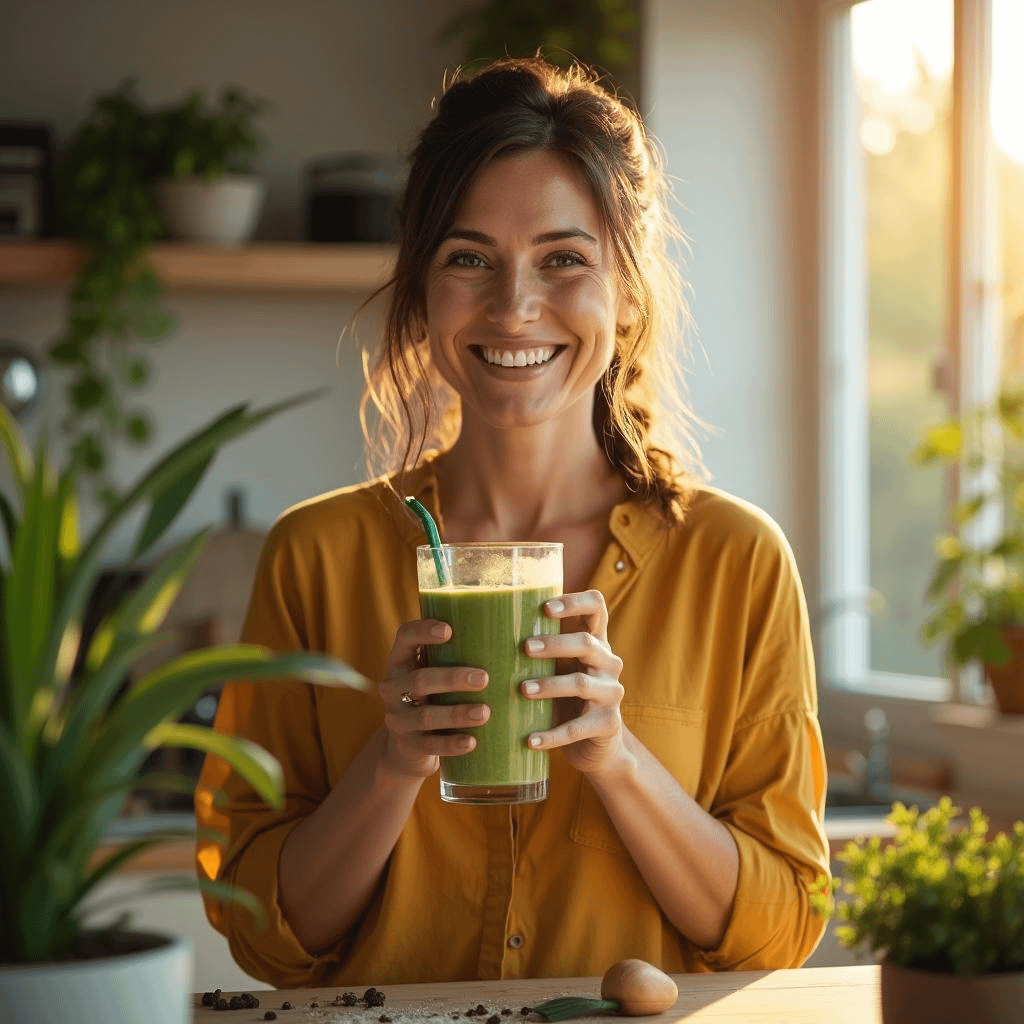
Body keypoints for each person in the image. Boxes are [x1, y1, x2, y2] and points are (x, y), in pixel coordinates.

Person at [195, 56, 830, 988]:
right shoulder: (313, 559)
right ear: (420, 289)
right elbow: (265, 933)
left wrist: (617, 762)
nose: (514, 306)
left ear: (626, 291)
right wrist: (392, 763)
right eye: (468, 259)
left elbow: (781, 930)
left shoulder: (737, 563)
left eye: (564, 259)